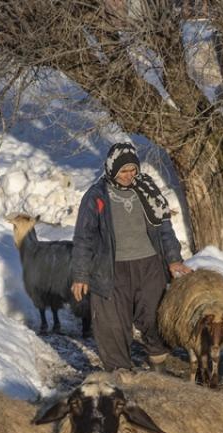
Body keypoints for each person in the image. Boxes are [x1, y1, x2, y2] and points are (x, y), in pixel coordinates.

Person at [71, 142, 191, 372]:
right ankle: (121, 373)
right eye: (123, 171)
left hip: (149, 266)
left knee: (155, 317)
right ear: (112, 169)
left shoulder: (147, 190)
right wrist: (80, 274)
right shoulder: (96, 196)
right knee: (113, 324)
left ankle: (158, 365)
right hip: (111, 270)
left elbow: (164, 228)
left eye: (133, 170)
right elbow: (83, 237)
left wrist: (174, 259)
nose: (129, 175)